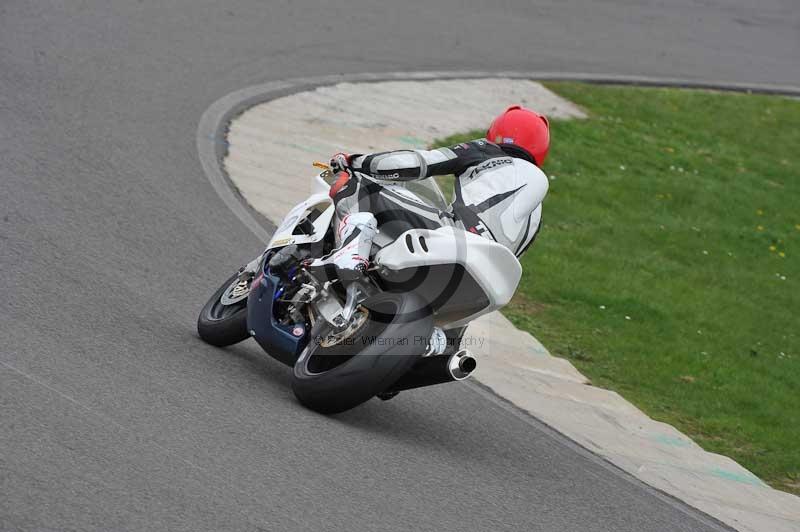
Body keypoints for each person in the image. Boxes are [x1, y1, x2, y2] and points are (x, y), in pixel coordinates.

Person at [308, 105, 551, 281]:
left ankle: (351, 253)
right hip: (491, 275)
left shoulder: (485, 151)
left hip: (458, 238)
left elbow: (417, 163)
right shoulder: (536, 214)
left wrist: (356, 161)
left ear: (496, 131)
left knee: (357, 183)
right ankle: (443, 344)